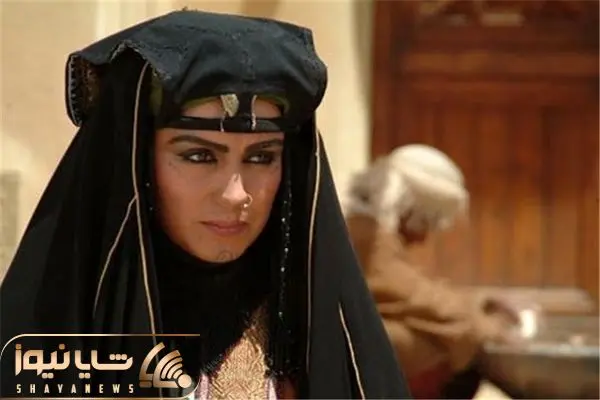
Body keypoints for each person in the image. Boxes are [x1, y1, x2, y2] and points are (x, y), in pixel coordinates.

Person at [0, 10, 411, 399]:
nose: (235, 194)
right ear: (136, 163)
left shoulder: (313, 339)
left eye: (261, 157)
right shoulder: (44, 351)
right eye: (199, 156)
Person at [344, 144, 519, 399]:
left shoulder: (366, 228)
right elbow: (412, 296)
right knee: (441, 338)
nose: (424, 237)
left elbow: (411, 293)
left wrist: (476, 305)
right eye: (428, 220)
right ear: (408, 206)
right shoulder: (366, 235)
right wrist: (485, 325)